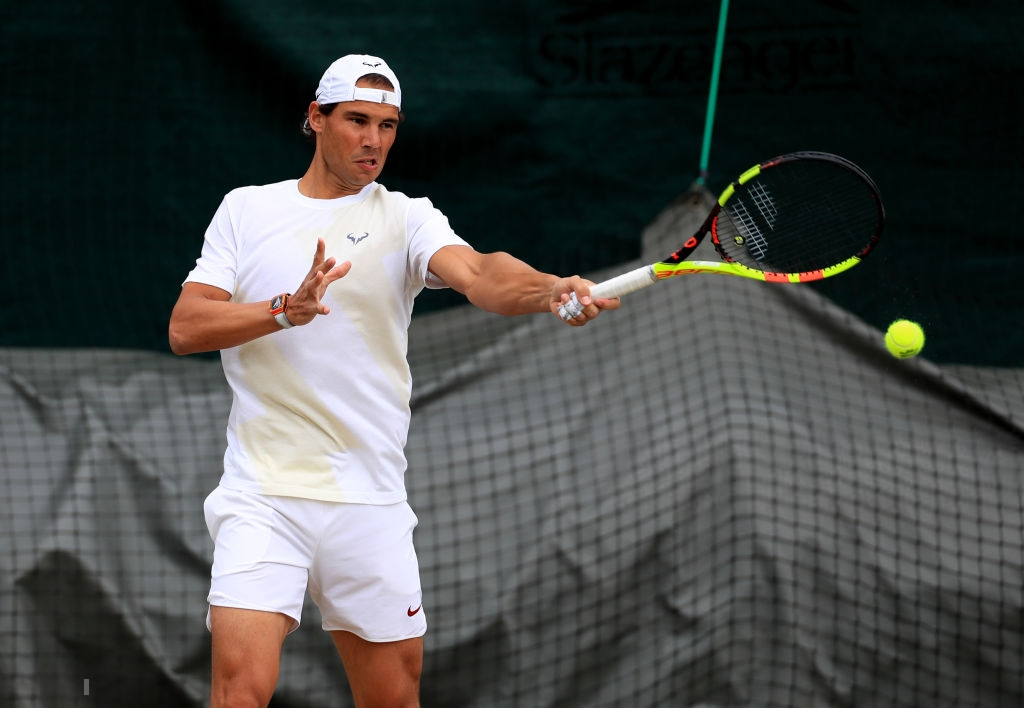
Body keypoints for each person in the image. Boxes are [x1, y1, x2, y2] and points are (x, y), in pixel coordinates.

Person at [168, 54, 617, 708]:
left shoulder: (408, 218)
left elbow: (482, 274)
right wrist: (281, 311)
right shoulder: (246, 210)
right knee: (240, 691)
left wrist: (549, 289)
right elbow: (187, 327)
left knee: (393, 701)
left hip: (369, 501)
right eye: (356, 120)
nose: (373, 140)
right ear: (315, 119)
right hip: (263, 495)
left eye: (388, 125)